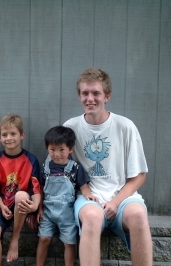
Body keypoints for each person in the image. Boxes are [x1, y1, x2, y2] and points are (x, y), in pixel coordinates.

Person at [63, 67, 152, 266]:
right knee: (93, 218)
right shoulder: (70, 128)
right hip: (89, 198)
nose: (90, 98)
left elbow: (139, 175)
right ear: (79, 95)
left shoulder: (125, 126)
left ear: (107, 96)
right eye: (85, 93)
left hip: (123, 198)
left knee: (138, 214)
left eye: (96, 93)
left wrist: (116, 202)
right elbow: (62, 168)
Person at [36, 125, 98, 266]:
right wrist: (39, 209)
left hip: (67, 213)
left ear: (71, 149)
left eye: (61, 149)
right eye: (52, 149)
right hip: (48, 212)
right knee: (44, 239)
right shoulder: (45, 168)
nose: (57, 154)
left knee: (69, 243)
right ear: (47, 149)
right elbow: (40, 189)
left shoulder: (75, 168)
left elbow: (84, 186)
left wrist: (88, 195)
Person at [0, 113, 41, 266]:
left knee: (22, 195)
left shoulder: (31, 160)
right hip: (1, 205)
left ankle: (14, 239)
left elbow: (36, 189)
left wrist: (35, 205)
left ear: (22, 135)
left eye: (13, 133)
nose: (9, 138)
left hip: (22, 205)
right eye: (4, 135)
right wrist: (2, 206)